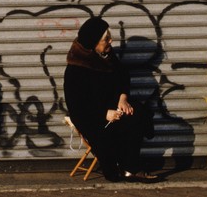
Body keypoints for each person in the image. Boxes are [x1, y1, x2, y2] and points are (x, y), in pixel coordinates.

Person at [62, 16, 158, 183]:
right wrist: (104, 114)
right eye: (106, 39)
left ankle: (130, 168)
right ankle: (123, 165)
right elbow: (77, 106)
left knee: (138, 113)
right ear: (93, 42)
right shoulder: (75, 69)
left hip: (113, 106)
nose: (111, 41)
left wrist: (123, 98)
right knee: (121, 130)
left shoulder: (107, 57)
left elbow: (122, 76)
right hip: (90, 116)